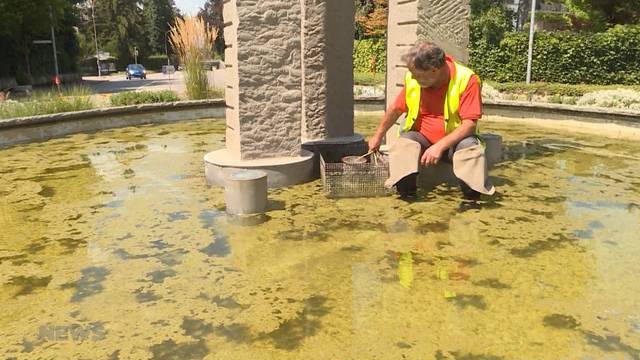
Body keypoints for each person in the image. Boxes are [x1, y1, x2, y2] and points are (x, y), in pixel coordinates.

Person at [367, 41, 495, 200]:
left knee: (471, 149)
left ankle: (472, 201)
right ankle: (406, 197)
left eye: (417, 75)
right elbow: (395, 109)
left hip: (455, 143)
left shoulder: (467, 79)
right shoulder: (414, 79)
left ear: (434, 70)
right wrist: (377, 136)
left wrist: (439, 147)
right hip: (422, 139)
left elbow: (469, 125)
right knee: (404, 145)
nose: (413, 78)